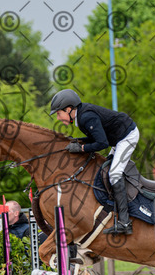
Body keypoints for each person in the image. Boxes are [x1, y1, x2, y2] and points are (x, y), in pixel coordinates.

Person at [49, 89, 139, 235]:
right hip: (116, 139)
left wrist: (81, 148)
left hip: (127, 136)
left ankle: (125, 222)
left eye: (59, 113)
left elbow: (102, 143)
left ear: (69, 109)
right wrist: (77, 141)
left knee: (114, 174)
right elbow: (95, 138)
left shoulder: (86, 117)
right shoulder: (81, 117)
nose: (58, 118)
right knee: (105, 171)